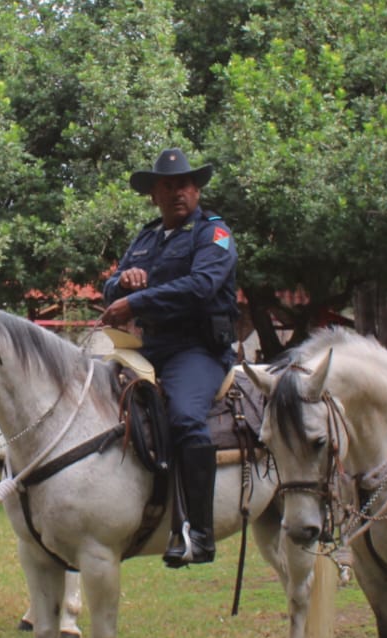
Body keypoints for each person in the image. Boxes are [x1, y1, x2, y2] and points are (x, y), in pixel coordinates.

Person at [100, 148, 239, 567]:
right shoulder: (145, 239)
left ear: (197, 191)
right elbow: (110, 288)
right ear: (154, 195)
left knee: (185, 417)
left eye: (185, 185)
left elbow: (202, 285)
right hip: (148, 349)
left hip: (197, 350)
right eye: (168, 186)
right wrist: (124, 282)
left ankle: (200, 533)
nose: (178, 192)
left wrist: (137, 301)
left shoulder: (214, 234)